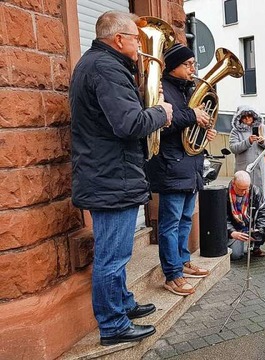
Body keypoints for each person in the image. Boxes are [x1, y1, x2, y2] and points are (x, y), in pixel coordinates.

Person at [70, 11, 172, 345]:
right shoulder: (106, 67)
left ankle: (123, 304)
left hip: (111, 175)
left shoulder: (100, 64)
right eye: (135, 38)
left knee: (117, 254)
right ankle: (113, 325)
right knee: (111, 258)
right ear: (118, 40)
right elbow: (128, 124)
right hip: (111, 178)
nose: (140, 45)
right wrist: (161, 112)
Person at [145, 43, 217, 297]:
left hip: (189, 165)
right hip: (170, 165)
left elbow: (189, 121)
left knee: (185, 219)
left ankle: (183, 261)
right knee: (170, 224)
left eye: (193, 64)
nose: (193, 68)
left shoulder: (188, 90)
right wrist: (193, 116)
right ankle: (172, 274)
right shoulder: (161, 90)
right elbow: (163, 123)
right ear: (174, 66)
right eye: (188, 64)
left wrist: (204, 133)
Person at [226, 171, 265, 260]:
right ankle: (236, 244)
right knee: (235, 255)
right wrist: (232, 232)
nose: (244, 192)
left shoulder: (255, 191)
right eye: (241, 189)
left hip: (252, 225)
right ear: (234, 183)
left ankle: (256, 247)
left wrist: (259, 231)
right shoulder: (224, 194)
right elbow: (223, 219)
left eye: (246, 188)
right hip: (236, 229)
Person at [229, 106, 265, 203]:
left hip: (261, 172)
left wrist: (263, 141)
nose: (247, 119)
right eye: (244, 117)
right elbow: (233, 148)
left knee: (263, 199)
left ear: (254, 116)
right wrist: (248, 142)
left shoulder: (262, 128)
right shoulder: (235, 131)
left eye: (250, 116)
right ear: (239, 118)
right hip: (244, 172)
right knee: (244, 199)